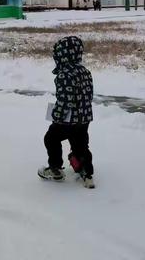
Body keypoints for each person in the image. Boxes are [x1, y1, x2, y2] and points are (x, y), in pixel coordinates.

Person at [38, 36, 95, 189]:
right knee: (81, 144)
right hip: (84, 118)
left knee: (51, 139)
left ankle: (55, 169)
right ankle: (85, 170)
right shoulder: (85, 71)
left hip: (67, 120)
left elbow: (65, 100)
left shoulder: (64, 74)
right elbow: (89, 95)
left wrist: (57, 115)